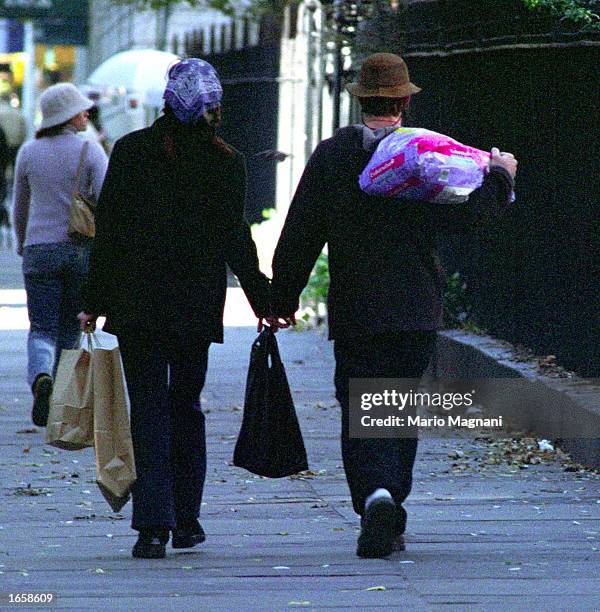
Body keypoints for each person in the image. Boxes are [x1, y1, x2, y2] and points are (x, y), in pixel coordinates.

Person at [269, 53, 518, 558]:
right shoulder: (426, 155)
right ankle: (390, 499)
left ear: (359, 99)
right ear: (404, 102)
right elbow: (470, 218)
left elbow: (301, 230)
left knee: (359, 403)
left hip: (357, 304)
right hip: (414, 305)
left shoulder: (334, 155)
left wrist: (282, 296)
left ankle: (375, 495)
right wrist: (502, 176)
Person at [78, 59, 270, 560]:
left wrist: (93, 303)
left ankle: (152, 526)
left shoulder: (133, 152)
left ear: (166, 100)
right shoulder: (225, 161)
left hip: (137, 307)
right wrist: (265, 300)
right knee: (186, 406)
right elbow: (236, 239)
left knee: (147, 410)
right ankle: (187, 519)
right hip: (195, 308)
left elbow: (111, 234)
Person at [13, 83, 108, 427]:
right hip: (79, 249)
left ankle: (41, 378)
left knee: (41, 327)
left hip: (39, 250)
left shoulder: (28, 152)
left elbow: (20, 205)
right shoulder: (91, 151)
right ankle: (61, 401)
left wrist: (23, 242)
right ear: (68, 116)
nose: (87, 114)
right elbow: (107, 199)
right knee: (70, 329)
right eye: (82, 110)